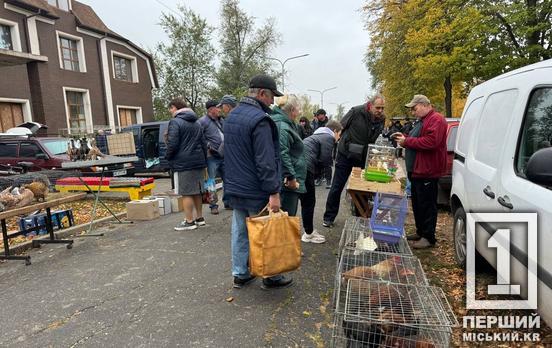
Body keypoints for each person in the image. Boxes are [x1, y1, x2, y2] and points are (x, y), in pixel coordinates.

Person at [224, 74, 293, 290]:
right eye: (272, 96)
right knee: (266, 231)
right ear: (262, 93)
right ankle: (271, 276)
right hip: (255, 188)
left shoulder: (232, 116)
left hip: (234, 187)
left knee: (240, 230)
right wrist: (273, 192)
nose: (273, 102)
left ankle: (241, 273)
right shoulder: (260, 121)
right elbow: (265, 161)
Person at [322, 95, 386, 227]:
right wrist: (339, 143)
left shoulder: (382, 119)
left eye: (382, 108)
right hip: (345, 155)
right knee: (337, 186)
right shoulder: (356, 111)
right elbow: (340, 127)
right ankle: (329, 217)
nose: (380, 110)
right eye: (378, 107)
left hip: (363, 158)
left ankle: (360, 218)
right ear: (370, 105)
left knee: (362, 189)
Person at [394, 95, 447, 249]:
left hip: (427, 170)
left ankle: (428, 237)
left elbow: (431, 142)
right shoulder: (423, 121)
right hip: (417, 170)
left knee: (427, 204)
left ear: (424, 105)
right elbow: (419, 139)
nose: (413, 112)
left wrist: (407, 141)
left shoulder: (436, 119)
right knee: (417, 203)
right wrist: (405, 139)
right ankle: (420, 231)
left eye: (414, 108)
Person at [165, 98, 207, 231]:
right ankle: (199, 218)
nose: (170, 112)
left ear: (175, 107)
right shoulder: (197, 122)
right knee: (197, 191)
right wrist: (204, 160)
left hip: (184, 162)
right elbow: (203, 143)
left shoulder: (175, 122)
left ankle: (189, 221)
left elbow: (173, 143)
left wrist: (168, 157)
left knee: (186, 192)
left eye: (170, 109)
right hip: (198, 161)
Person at [301, 120, 342, 243]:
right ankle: (308, 234)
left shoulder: (317, 135)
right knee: (308, 202)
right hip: (305, 168)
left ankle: (308, 231)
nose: (339, 138)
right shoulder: (328, 137)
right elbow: (325, 159)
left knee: (304, 201)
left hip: (300, 166)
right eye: (339, 134)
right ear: (334, 131)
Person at [271, 94, 307, 216]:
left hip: (285, 179)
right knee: (286, 218)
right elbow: (282, 153)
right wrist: (291, 176)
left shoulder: (286, 123)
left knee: (285, 217)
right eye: (298, 110)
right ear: (292, 110)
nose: (298, 113)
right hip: (286, 182)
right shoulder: (283, 126)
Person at [199, 100, 226, 214]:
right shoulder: (202, 121)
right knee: (211, 181)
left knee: (228, 180)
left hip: (224, 155)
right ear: (211, 109)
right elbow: (199, 137)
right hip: (211, 156)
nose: (220, 109)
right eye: (218, 108)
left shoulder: (221, 120)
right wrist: (208, 146)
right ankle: (213, 205)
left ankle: (228, 201)